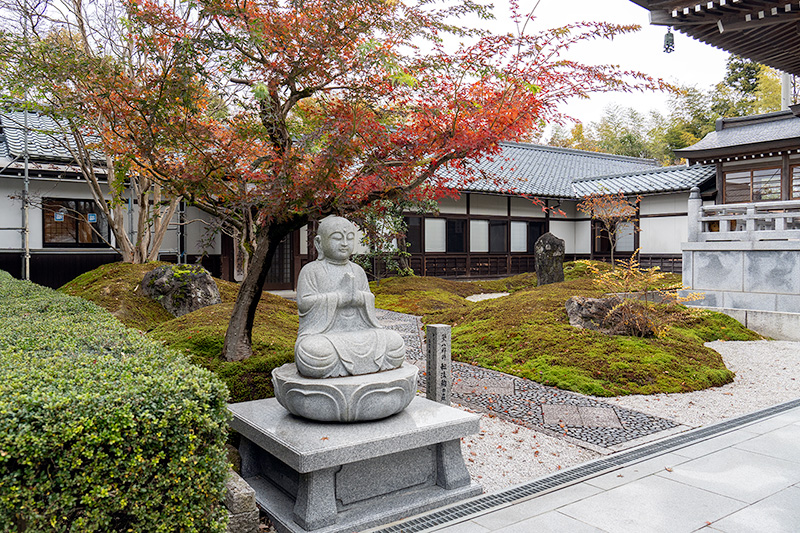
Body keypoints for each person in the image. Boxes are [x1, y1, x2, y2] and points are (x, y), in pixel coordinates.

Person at [294, 216, 406, 378]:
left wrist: (359, 298)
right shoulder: (311, 271)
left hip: (360, 332)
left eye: (350, 238)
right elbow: (304, 304)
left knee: (394, 342)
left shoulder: (358, 270)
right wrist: (339, 297)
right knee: (313, 352)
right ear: (319, 243)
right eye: (337, 238)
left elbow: (368, 299)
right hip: (325, 335)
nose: (345, 243)